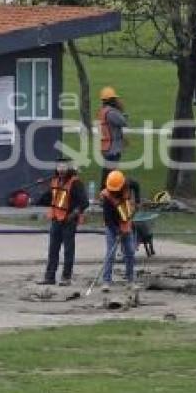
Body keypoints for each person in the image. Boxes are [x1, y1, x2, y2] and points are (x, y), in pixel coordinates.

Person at [36, 158, 89, 286]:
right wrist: (42, 188)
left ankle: (66, 277)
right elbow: (48, 198)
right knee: (53, 249)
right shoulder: (55, 181)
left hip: (68, 220)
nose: (61, 171)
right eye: (59, 168)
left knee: (68, 250)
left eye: (63, 169)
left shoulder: (75, 183)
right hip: (56, 219)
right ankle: (50, 277)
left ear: (69, 170)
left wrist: (74, 214)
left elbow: (84, 202)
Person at [99, 170, 139, 291]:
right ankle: (106, 281)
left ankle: (130, 280)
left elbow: (136, 185)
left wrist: (137, 201)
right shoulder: (106, 197)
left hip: (125, 221)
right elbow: (108, 219)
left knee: (130, 252)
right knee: (110, 253)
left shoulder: (128, 184)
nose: (114, 191)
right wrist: (116, 232)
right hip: (112, 226)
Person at [97, 86, 127, 189]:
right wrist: (122, 112)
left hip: (106, 146)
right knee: (111, 173)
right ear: (112, 100)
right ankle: (108, 191)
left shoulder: (103, 111)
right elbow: (123, 122)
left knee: (106, 171)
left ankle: (103, 192)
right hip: (112, 147)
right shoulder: (111, 112)